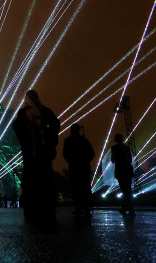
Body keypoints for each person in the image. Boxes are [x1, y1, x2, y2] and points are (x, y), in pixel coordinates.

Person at [12, 90, 59, 225]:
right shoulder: (45, 111)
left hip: (34, 153)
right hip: (39, 152)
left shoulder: (25, 113)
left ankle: (33, 212)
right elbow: (55, 125)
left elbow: (17, 127)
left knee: (32, 182)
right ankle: (45, 212)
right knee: (43, 182)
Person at [63, 123, 95, 218]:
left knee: (76, 189)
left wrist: (72, 161)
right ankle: (87, 210)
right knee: (86, 189)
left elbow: (65, 154)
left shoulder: (68, 140)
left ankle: (78, 209)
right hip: (84, 167)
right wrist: (86, 161)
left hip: (74, 167)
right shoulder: (84, 140)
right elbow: (92, 153)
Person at [111, 134, 135, 216]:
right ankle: (129, 208)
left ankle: (125, 208)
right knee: (128, 190)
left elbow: (113, 160)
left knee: (124, 190)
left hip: (120, 170)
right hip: (128, 169)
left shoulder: (114, 147)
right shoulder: (127, 146)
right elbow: (130, 159)